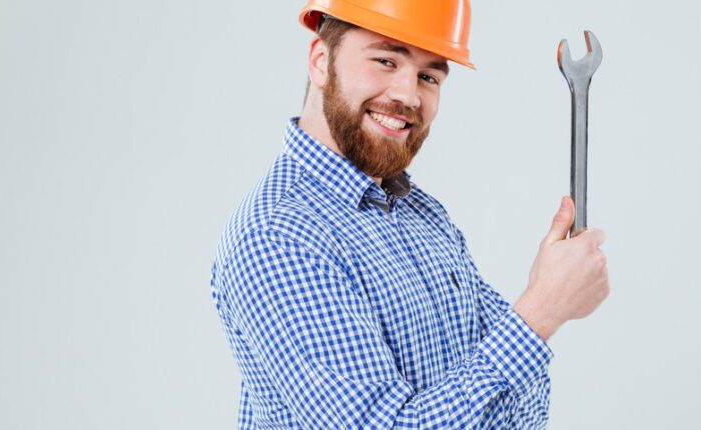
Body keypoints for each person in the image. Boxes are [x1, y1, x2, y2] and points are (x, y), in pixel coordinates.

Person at [209, 1, 610, 428]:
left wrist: (538, 310)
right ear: (321, 61)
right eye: (385, 60)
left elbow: (516, 408)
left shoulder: (421, 213)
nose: (408, 95)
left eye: (428, 76)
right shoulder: (280, 236)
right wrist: (540, 312)